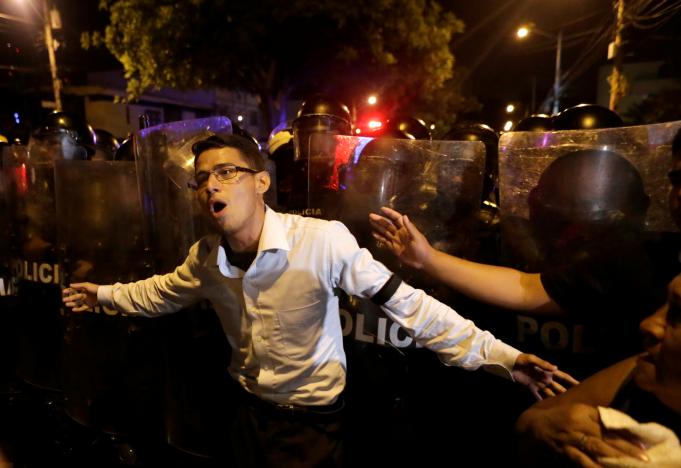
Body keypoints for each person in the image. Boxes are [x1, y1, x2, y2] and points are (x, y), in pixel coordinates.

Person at [63, 133, 573, 468]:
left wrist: (504, 359)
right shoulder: (205, 259)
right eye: (201, 180)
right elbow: (158, 292)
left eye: (226, 173)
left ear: (262, 182)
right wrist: (103, 294)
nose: (209, 186)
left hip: (311, 432)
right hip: (245, 418)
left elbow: (412, 307)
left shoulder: (322, 242)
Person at [370, 147, 675, 378]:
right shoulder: (503, 237)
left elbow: (528, 290)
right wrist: (427, 258)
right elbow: (526, 286)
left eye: (586, 215)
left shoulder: (637, 258)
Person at [515, 272, 681, 467]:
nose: (648, 325)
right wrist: (543, 426)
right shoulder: (641, 371)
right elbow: (530, 421)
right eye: (666, 303)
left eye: (677, 314)